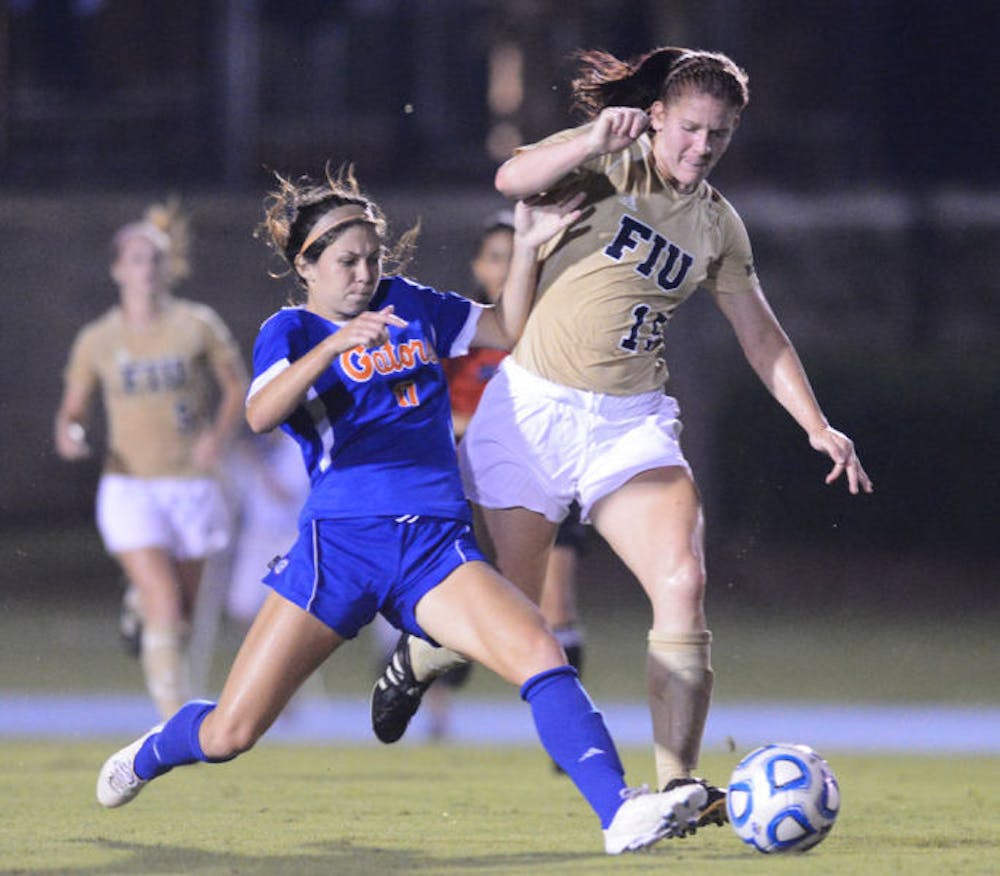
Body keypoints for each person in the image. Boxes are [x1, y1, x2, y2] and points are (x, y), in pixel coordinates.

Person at [94, 166, 709, 856]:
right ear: (307, 265)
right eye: (346, 262)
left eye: (372, 258)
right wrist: (333, 344)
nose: (363, 274)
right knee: (230, 733)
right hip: (339, 551)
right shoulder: (291, 328)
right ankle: (153, 750)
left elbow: (505, 327)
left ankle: (619, 810)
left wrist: (530, 246)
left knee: (538, 649)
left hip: (433, 548)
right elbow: (260, 411)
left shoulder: (409, 303)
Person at [370, 46, 875, 827]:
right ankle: (424, 651)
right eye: (691, 129)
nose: (701, 148)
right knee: (513, 612)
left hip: (629, 422)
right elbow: (511, 181)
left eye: (720, 135)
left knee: (682, 579)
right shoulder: (610, 162)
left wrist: (817, 424)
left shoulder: (717, 226)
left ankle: (678, 782)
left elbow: (761, 335)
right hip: (533, 409)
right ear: (660, 117)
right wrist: (590, 139)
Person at [376, 211, 590, 744]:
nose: (507, 267)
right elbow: (422, 404)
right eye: (498, 257)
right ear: (478, 264)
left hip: (545, 469)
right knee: (455, 590)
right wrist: (471, 426)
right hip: (467, 476)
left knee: (549, 602)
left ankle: (565, 739)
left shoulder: (556, 326)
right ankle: (434, 695)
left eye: (519, 255)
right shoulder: (460, 333)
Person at [54, 200, 248, 720]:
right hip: (130, 484)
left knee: (177, 615)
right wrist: (72, 432)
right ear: (119, 269)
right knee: (163, 598)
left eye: (155, 258)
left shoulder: (196, 324)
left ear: (168, 267)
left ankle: (138, 606)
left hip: (193, 483)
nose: (146, 268)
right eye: (136, 258)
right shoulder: (98, 338)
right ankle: (173, 720)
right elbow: (73, 408)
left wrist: (219, 438)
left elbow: (237, 387)